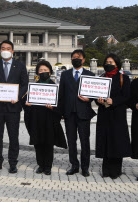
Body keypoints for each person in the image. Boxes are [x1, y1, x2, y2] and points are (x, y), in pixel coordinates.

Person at [0, 40, 29, 173]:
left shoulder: (20, 66)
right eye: (3, 48)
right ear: (0, 50)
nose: (5, 50)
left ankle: (13, 162)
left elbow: (24, 84)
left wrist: (18, 97)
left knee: (13, 136)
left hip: (13, 107)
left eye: (8, 48)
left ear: (12, 51)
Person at [22, 61, 67, 175]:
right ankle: (40, 165)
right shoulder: (33, 87)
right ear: (37, 72)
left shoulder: (55, 87)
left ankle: (48, 166)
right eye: (41, 70)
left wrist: (53, 107)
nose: (43, 72)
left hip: (50, 119)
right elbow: (25, 102)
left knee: (48, 143)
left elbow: (61, 106)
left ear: (50, 72)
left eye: (45, 70)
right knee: (38, 143)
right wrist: (26, 104)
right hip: (36, 119)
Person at [58, 49, 96, 177]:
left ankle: (85, 167)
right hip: (69, 113)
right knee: (71, 141)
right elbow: (61, 95)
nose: (76, 59)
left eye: (78, 57)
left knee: (85, 140)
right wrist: (61, 112)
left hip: (83, 113)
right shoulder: (65, 75)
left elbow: (95, 94)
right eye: (73, 57)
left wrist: (89, 98)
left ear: (83, 60)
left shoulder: (90, 75)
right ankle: (74, 165)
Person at [95, 53, 131, 179]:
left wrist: (114, 101)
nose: (108, 64)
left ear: (117, 64)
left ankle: (116, 170)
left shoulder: (123, 78)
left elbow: (126, 96)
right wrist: (98, 101)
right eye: (107, 62)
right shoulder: (101, 77)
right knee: (105, 140)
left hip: (117, 115)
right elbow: (96, 95)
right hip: (104, 114)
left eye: (111, 62)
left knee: (117, 141)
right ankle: (106, 170)